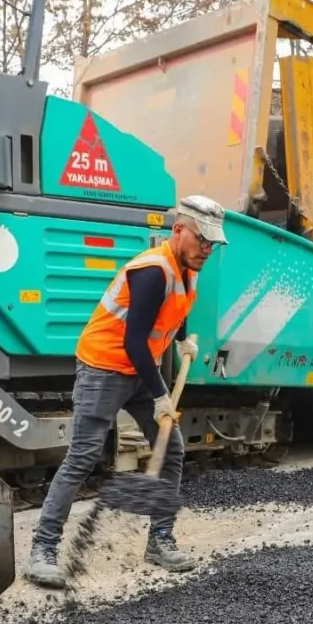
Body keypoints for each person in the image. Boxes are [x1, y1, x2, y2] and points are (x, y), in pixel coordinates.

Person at [25, 195, 229, 589]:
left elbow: (174, 311)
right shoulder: (151, 271)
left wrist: (184, 340)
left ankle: (160, 540)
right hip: (104, 367)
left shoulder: (189, 267)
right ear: (178, 230)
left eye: (212, 242)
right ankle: (43, 549)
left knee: (170, 450)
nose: (207, 248)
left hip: (139, 368)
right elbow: (135, 340)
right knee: (83, 457)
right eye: (201, 239)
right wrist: (160, 397)